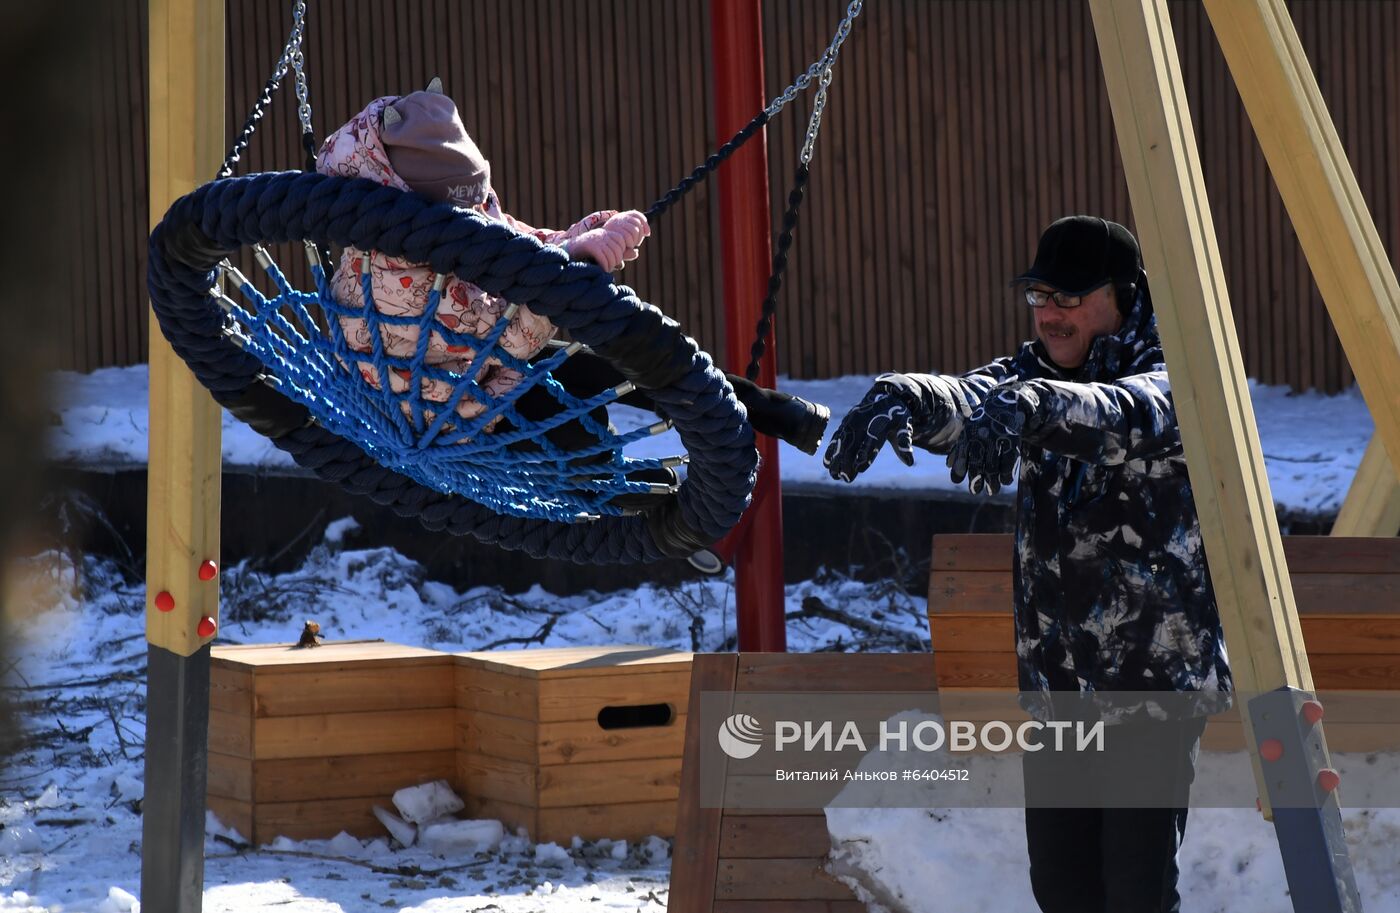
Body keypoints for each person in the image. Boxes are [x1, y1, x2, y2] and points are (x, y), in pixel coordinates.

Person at [824, 215, 1232, 913]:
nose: (1049, 314)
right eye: (1039, 295)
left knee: (1134, 890)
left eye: (1068, 298)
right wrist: (904, 395)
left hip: (1149, 690)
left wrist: (1032, 405)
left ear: (1122, 293)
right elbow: (969, 396)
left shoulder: (1178, 373)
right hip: (1061, 687)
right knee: (1063, 889)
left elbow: (1119, 413)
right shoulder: (1034, 373)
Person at [316, 82, 830, 501]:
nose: (476, 218)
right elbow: (510, 333)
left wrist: (583, 236)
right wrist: (576, 264)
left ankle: (774, 412)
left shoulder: (405, 213)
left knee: (619, 365)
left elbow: (511, 248)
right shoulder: (393, 277)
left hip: (472, 370)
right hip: (451, 413)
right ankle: (620, 493)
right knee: (576, 417)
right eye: (465, 212)